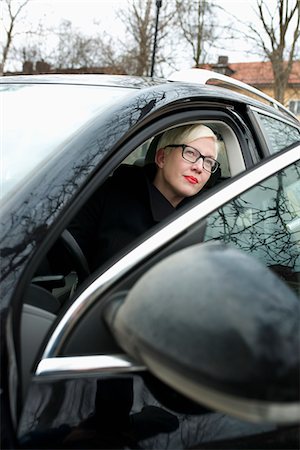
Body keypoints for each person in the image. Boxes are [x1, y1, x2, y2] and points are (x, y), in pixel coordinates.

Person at [68, 124, 219, 272]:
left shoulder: (211, 216)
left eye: (208, 162)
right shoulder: (111, 194)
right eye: (190, 153)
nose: (199, 167)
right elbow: (60, 257)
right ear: (161, 158)